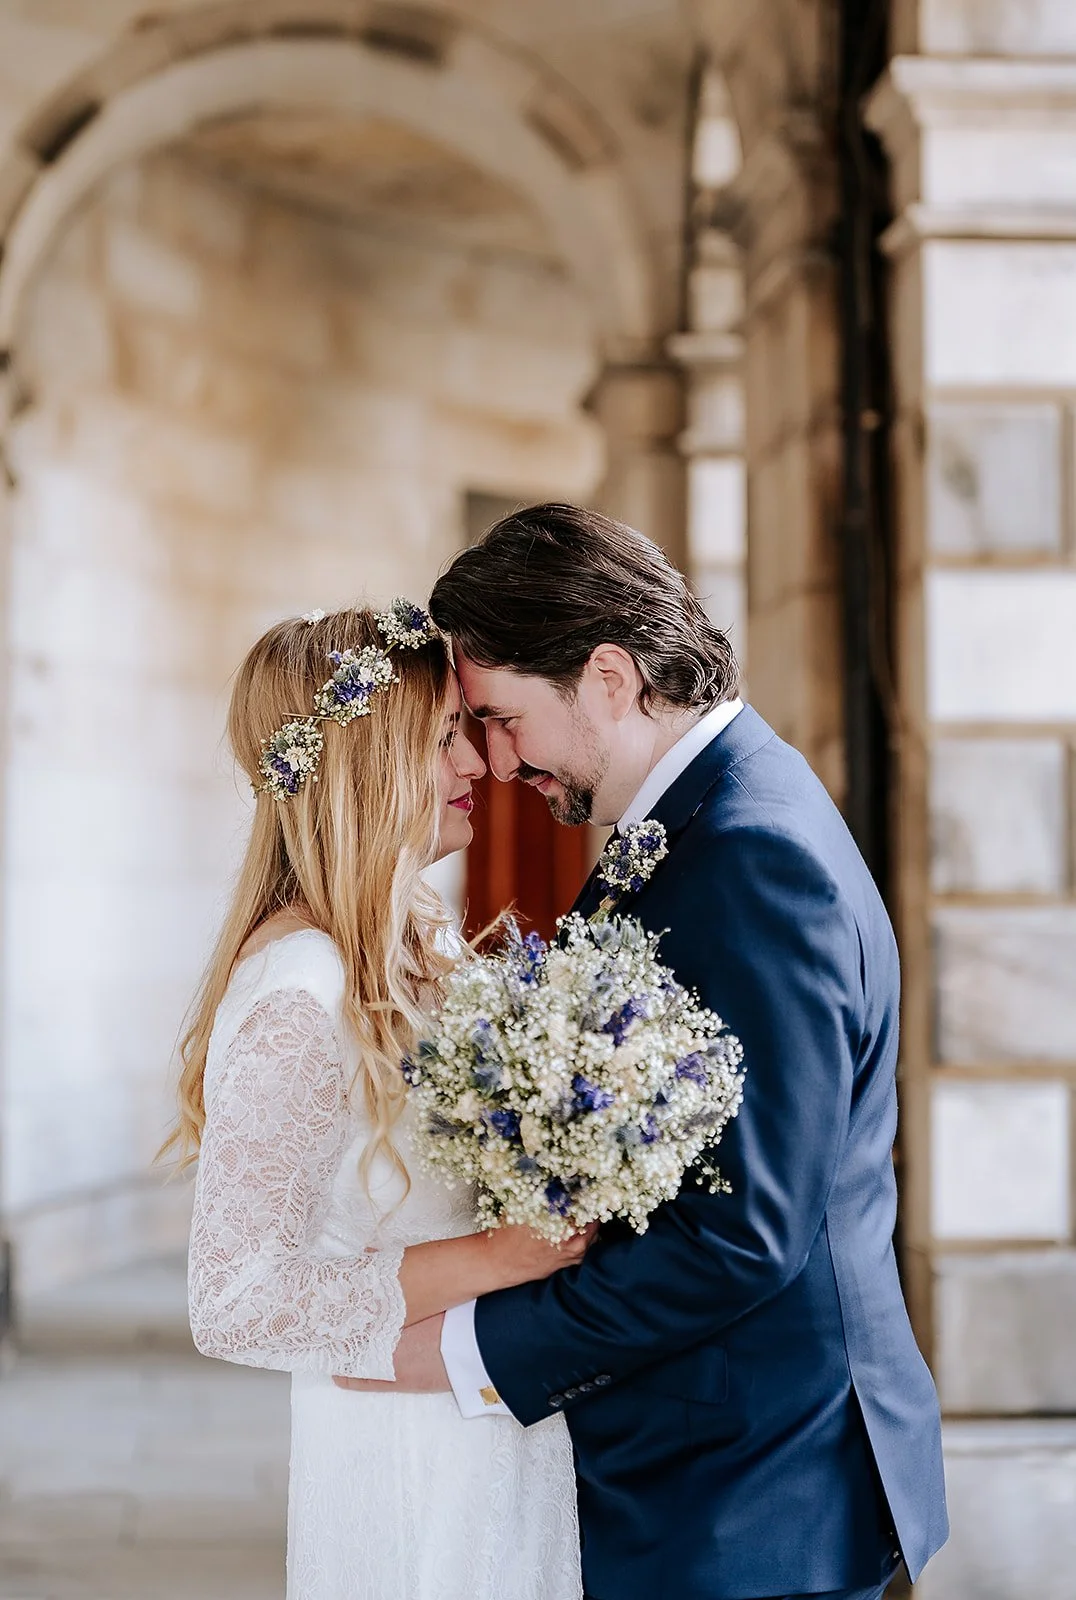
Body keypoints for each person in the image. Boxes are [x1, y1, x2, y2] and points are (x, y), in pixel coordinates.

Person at [340, 505, 949, 1600]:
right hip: (716, 1475)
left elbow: (744, 1232)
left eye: (503, 718)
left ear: (610, 678)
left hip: (751, 1494)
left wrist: (473, 1351)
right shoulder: (702, 816)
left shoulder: (751, 853)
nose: (496, 760)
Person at [163, 603, 587, 1600]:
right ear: (366, 762)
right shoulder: (299, 989)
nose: (476, 763)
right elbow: (233, 1302)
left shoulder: (412, 941)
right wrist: (499, 1257)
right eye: (443, 738)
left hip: (485, 1431)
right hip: (405, 1462)